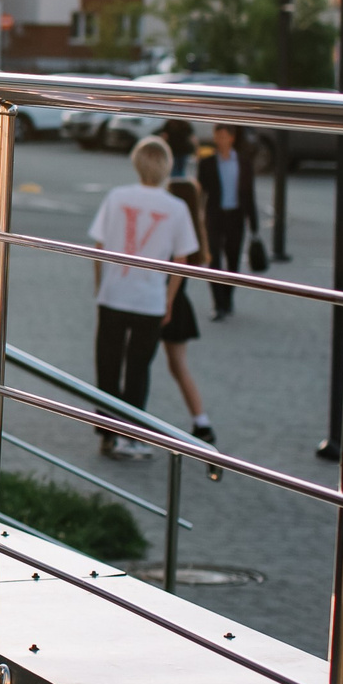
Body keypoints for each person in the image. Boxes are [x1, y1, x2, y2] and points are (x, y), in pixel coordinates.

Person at [87, 136, 198, 461]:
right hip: (150, 299)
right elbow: (182, 260)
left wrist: (100, 284)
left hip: (114, 294)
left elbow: (99, 246)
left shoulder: (117, 197)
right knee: (138, 369)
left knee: (107, 364)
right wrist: (170, 299)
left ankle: (107, 431)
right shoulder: (176, 208)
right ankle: (132, 434)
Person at [159, 176, 215, 445]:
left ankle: (130, 421)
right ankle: (202, 421)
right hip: (181, 305)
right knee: (178, 366)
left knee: (141, 364)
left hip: (163, 301)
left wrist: (166, 301)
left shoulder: (171, 230)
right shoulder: (193, 232)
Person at [193, 122, 258, 320]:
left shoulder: (244, 163)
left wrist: (254, 225)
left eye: (222, 136)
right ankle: (218, 304)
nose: (219, 140)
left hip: (236, 217)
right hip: (214, 216)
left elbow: (249, 195)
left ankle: (228, 299)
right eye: (216, 136)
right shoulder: (206, 163)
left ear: (231, 138)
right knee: (214, 260)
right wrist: (197, 219)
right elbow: (200, 193)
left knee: (233, 261)